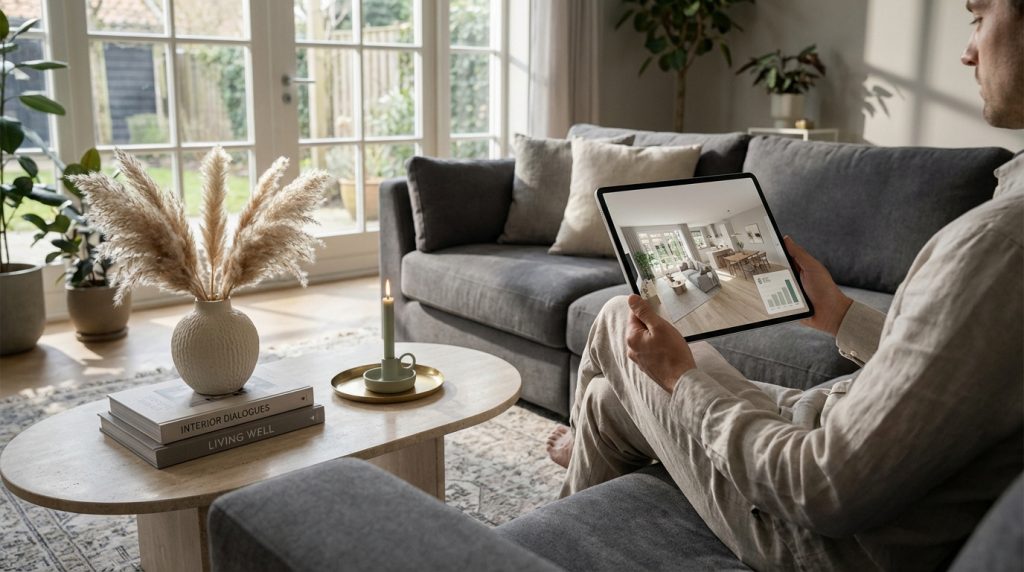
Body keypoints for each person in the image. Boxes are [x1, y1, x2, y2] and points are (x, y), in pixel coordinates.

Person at [545, 0, 1023, 569]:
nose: (967, 51)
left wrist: (679, 377)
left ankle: (545, 515)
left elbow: (820, 488)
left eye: (978, 17)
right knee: (606, 400)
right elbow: (954, 374)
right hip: (829, 423)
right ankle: (559, 523)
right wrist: (839, 313)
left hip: (816, 536)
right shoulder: (1005, 226)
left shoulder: (997, 243)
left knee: (618, 319)